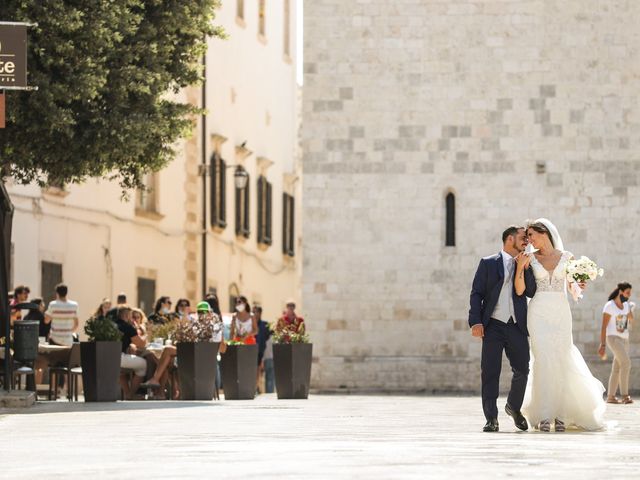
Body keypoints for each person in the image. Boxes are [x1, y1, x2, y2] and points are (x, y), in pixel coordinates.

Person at [521, 218, 605, 431]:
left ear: (544, 233)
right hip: (538, 311)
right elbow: (521, 287)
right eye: (528, 236)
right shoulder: (528, 259)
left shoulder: (567, 258)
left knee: (561, 356)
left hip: (560, 311)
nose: (529, 239)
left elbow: (573, 288)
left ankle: (561, 414)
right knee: (542, 358)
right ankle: (544, 414)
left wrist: (580, 284)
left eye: (531, 234)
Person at [468, 225, 536, 432]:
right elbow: (476, 293)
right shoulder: (488, 263)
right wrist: (476, 321)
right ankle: (491, 418)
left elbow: (531, 291)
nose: (527, 241)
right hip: (493, 325)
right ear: (509, 239)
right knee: (490, 372)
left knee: (523, 369)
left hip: (516, 325)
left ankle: (514, 408)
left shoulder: (526, 263)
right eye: (523, 238)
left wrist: (524, 268)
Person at [599, 282, 634, 404]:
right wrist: (602, 344)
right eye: (627, 293)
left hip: (625, 339)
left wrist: (630, 308)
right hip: (613, 338)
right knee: (626, 363)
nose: (628, 295)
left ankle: (611, 396)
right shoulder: (609, 306)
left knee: (617, 367)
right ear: (620, 292)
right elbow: (603, 327)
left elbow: (631, 319)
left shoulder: (626, 305)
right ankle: (625, 395)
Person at [115, 305, 148, 400]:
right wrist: (146, 334)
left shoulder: (112, 324)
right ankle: (130, 394)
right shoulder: (128, 327)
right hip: (119, 357)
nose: (132, 318)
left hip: (106, 357)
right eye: (131, 315)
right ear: (126, 315)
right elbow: (141, 344)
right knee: (144, 364)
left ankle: (127, 394)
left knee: (121, 371)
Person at [254, 305, 271, 393]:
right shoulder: (250, 322)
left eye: (257, 312)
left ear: (260, 313)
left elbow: (267, 336)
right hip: (251, 349)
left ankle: (257, 386)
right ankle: (256, 386)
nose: (255, 314)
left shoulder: (264, 324)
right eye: (254, 312)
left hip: (260, 350)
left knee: (258, 369)